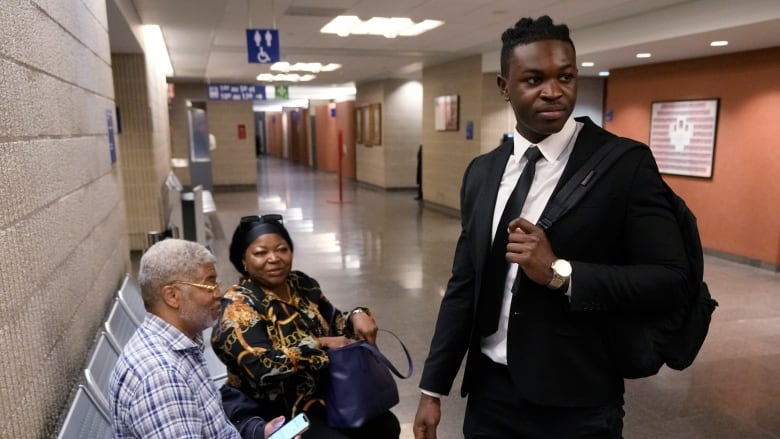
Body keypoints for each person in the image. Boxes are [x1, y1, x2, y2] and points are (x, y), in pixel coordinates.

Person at [413, 15, 690, 439]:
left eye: (566, 76)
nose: (554, 91)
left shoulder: (623, 165)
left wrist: (561, 272)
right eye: (534, 79)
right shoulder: (483, 173)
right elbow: (465, 284)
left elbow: (671, 279)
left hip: (577, 400)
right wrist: (432, 388)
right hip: (490, 396)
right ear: (504, 87)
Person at [212, 214, 401, 439]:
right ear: (243, 260)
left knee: (387, 425)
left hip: (324, 394)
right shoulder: (239, 305)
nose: (274, 258)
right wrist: (320, 344)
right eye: (260, 253)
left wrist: (356, 316)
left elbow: (334, 321)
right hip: (275, 413)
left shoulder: (301, 284)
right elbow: (264, 368)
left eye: (282, 249)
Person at [109, 239, 290, 439]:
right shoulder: (162, 377)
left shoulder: (180, 347)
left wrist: (258, 433)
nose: (219, 294)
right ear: (172, 296)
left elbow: (212, 428)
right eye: (208, 284)